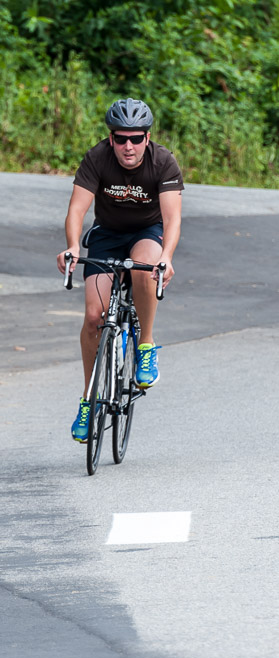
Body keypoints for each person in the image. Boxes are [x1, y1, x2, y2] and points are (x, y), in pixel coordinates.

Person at [57, 97, 184, 443]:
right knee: (93, 317)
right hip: (108, 235)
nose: (129, 146)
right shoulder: (97, 158)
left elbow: (172, 218)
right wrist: (72, 246)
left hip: (147, 233)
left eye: (136, 138)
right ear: (111, 138)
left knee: (145, 268)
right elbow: (77, 209)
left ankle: (145, 344)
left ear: (147, 137)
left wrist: (167, 256)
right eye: (121, 138)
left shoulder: (163, 162)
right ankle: (89, 400)